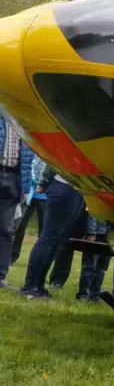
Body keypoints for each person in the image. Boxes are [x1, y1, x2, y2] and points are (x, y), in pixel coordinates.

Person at [20, 166, 89, 300]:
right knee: (48, 238)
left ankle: (39, 285)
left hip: (78, 188)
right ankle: (30, 286)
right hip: (65, 185)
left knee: (58, 240)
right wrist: (43, 182)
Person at [0, 113, 33, 290]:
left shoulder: (23, 123)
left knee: (5, 230)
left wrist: (26, 188)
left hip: (14, 179)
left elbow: (28, 161)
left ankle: (0, 277)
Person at [10, 153, 48, 266]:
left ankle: (39, 261)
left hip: (45, 197)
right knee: (19, 227)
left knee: (44, 230)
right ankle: (11, 257)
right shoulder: (31, 150)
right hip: (29, 195)